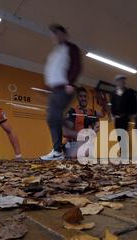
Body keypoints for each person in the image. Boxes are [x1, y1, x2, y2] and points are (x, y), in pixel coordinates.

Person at [41, 24, 82, 161]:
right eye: (53, 34)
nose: (55, 37)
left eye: (57, 33)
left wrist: (70, 82)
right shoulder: (55, 52)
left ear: (64, 34)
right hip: (55, 90)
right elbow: (54, 71)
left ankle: (57, 151)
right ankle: (59, 148)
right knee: (52, 118)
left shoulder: (71, 48)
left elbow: (76, 66)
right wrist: (48, 87)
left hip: (65, 88)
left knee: (53, 116)